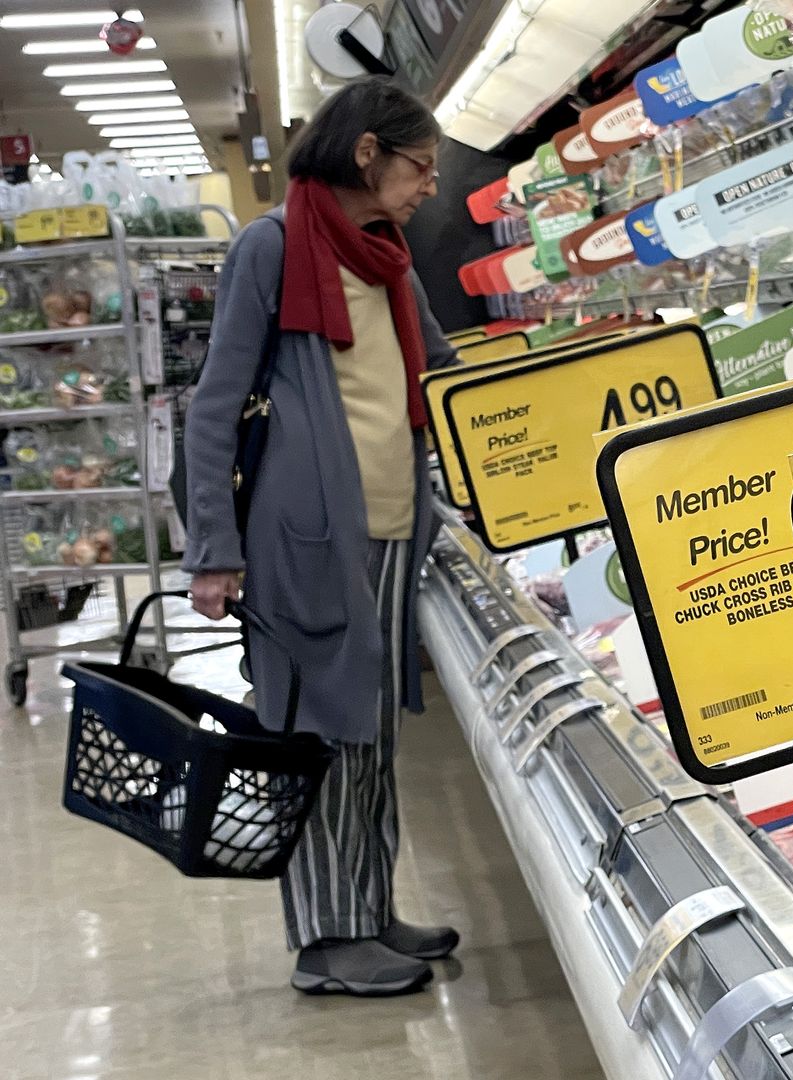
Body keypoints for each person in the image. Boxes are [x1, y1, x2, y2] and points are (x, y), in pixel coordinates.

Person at [182, 77, 460, 997]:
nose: (430, 187)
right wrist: (214, 551)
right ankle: (326, 941)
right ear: (369, 152)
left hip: (389, 532)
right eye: (421, 166)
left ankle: (368, 908)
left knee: (372, 736)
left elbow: (446, 374)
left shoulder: (385, 252)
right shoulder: (271, 249)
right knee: (317, 738)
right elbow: (216, 407)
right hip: (302, 541)